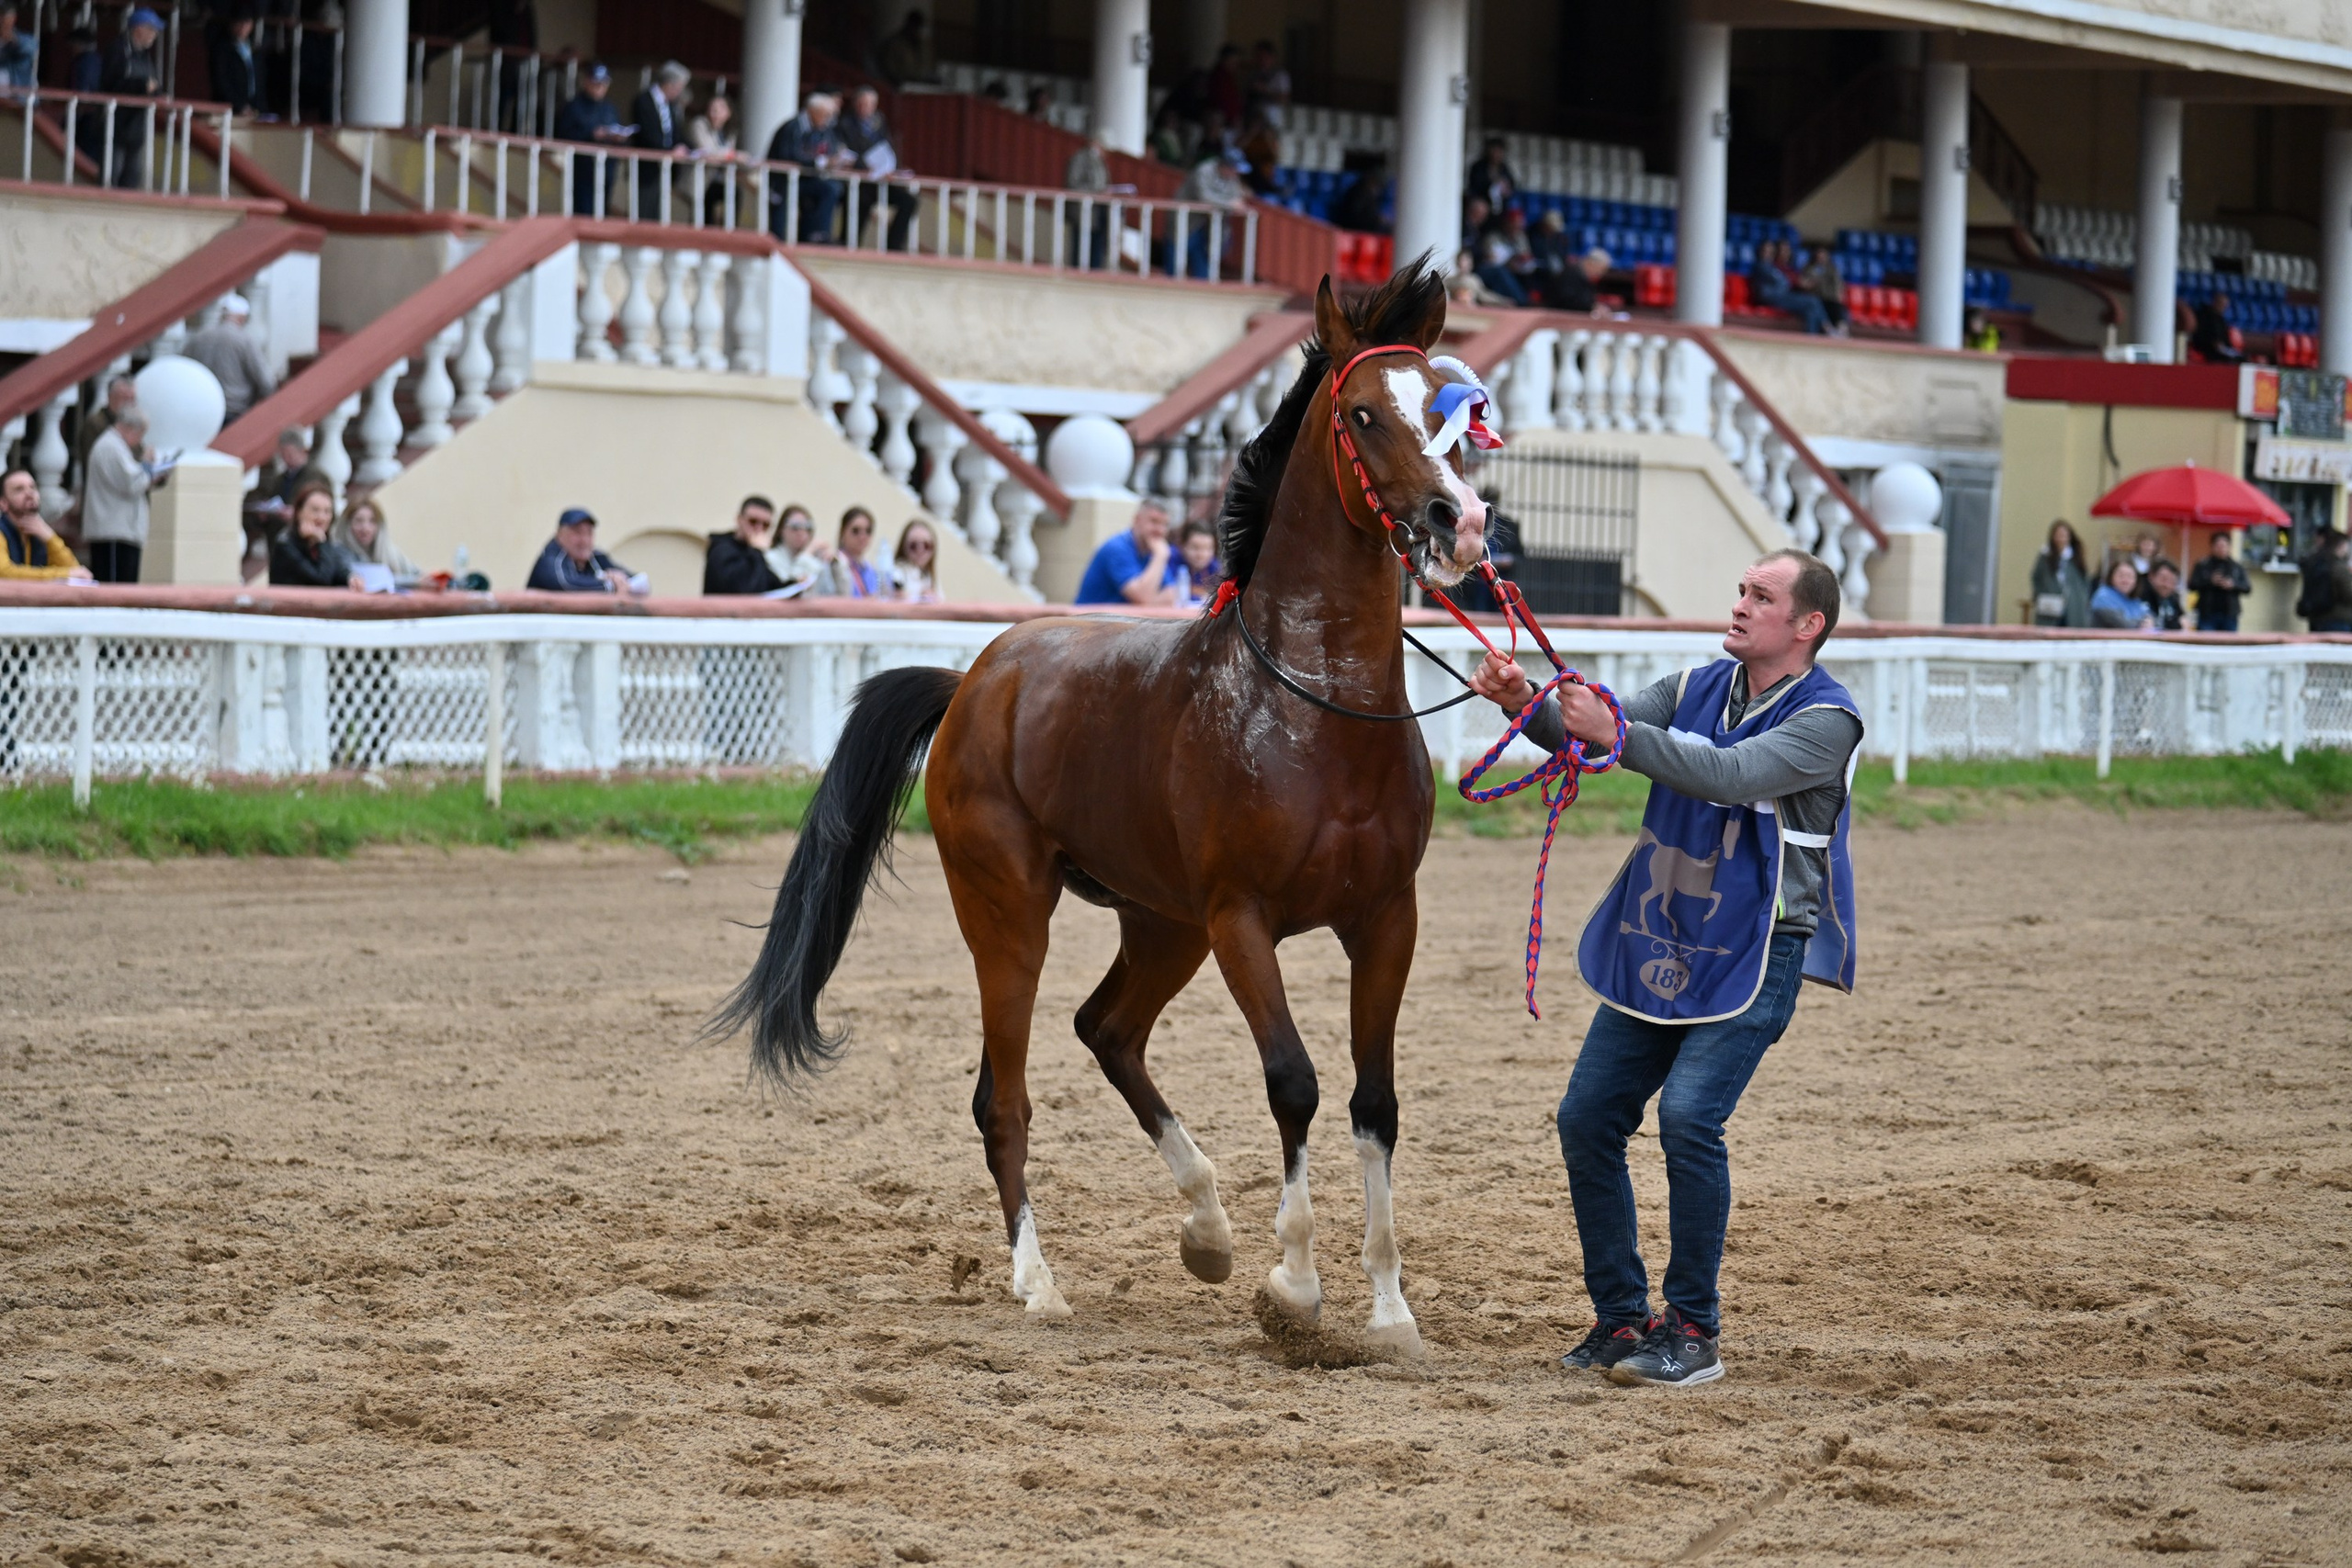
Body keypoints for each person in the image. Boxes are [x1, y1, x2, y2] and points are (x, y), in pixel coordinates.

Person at [1466, 549, 1863, 1388]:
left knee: (1688, 1117)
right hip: (1665, 941)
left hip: (1761, 950)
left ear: (1807, 626)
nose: (1740, 604)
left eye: (1762, 596)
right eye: (1741, 589)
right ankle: (1621, 1318)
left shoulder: (1829, 721)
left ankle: (1693, 1328)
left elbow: (1730, 775)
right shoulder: (1693, 686)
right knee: (1586, 1119)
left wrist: (1617, 734)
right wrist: (1524, 702)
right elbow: (1592, 731)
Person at [80, 404, 153, 583]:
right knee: (114, 588)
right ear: (128, 428)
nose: (139, 441)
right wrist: (146, 465)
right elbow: (130, 483)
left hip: (121, 530)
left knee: (126, 587)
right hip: (112, 532)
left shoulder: (116, 446)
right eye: (140, 434)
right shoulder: (110, 447)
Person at [839, 85, 918, 252]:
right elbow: (847, 152)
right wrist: (866, 165)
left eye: (870, 104)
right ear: (855, 103)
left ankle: (894, 247)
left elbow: (887, 146)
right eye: (862, 103)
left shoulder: (879, 121)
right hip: (858, 181)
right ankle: (848, 246)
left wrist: (892, 167)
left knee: (908, 201)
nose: (865, 108)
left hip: (880, 179)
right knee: (859, 205)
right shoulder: (845, 123)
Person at [182, 294, 277, 423]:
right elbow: (266, 382)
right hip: (234, 411)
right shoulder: (244, 340)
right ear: (242, 318)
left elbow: (182, 370)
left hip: (202, 410)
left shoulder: (198, 338)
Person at [99, 8, 167, 189]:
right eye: (151, 30)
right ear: (138, 29)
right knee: (111, 175)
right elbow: (111, 84)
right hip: (116, 125)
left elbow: (152, 84)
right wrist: (142, 86)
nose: (154, 35)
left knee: (132, 177)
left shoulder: (143, 55)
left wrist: (157, 94)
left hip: (137, 126)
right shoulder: (117, 50)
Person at [766, 92, 846, 243]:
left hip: (806, 178)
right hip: (782, 180)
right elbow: (789, 155)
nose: (827, 120)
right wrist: (821, 162)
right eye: (825, 115)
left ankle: (817, 234)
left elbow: (829, 148)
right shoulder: (792, 127)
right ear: (813, 111)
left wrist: (836, 159)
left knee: (831, 188)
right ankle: (777, 243)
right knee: (782, 206)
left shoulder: (823, 129)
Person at [555, 63, 632, 216]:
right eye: (596, 83)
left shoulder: (610, 108)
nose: (600, 88)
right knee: (583, 210)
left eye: (604, 84)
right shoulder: (573, 106)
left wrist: (619, 138)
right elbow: (563, 135)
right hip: (582, 168)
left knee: (602, 209)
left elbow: (618, 130)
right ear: (586, 82)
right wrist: (591, 135)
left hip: (606, 167)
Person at [1074, 500, 1183, 605]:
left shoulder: (1152, 551)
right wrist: (1160, 556)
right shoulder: (1117, 548)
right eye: (1154, 521)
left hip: (1119, 621)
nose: (1159, 530)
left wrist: (1147, 600)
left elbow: (1170, 597)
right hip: (1090, 621)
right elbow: (1142, 597)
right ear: (1136, 520)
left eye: (1165, 524)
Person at [1, 468, 93, 582]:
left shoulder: (39, 532)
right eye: (19, 489)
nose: (30, 493)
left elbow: (74, 568)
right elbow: (5, 573)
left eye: (32, 487)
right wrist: (64, 574)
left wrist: (50, 538)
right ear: (3, 503)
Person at [268, 480, 365, 589]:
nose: (321, 517)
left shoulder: (328, 544)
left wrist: (350, 578)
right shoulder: (286, 544)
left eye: (327, 511)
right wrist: (322, 542)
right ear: (299, 512)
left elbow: (337, 570)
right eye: (315, 510)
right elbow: (321, 580)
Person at [527, 507, 646, 594]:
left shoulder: (596, 558)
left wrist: (620, 580)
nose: (584, 541)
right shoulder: (551, 559)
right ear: (559, 535)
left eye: (589, 533)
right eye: (577, 533)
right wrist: (610, 586)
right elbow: (566, 584)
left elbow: (642, 582)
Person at [628, 61, 690, 221]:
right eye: (679, 87)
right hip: (647, 167)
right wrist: (667, 151)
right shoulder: (643, 101)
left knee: (659, 212)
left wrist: (685, 147)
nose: (679, 92)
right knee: (644, 212)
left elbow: (676, 132)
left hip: (665, 169)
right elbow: (647, 133)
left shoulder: (672, 106)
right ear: (669, 84)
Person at [329, 495, 421, 589]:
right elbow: (374, 580)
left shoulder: (390, 552)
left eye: (372, 521)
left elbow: (415, 573)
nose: (365, 528)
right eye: (359, 521)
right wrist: (414, 582)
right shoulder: (340, 552)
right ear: (347, 524)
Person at [703, 494, 786, 594]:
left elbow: (771, 586)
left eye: (765, 525)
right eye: (753, 521)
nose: (759, 529)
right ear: (739, 519)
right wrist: (757, 551)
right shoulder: (721, 550)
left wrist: (796, 584)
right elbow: (744, 589)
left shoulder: (754, 552)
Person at [1748, 242, 1826, 334]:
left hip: (1782, 296)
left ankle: (1812, 335)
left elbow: (1787, 281)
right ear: (1759, 252)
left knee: (1810, 309)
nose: (1768, 254)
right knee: (1812, 302)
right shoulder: (1761, 266)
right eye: (1765, 251)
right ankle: (1826, 327)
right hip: (1772, 297)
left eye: (1771, 252)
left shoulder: (1773, 267)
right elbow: (1782, 282)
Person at [683, 92, 738, 223]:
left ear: (729, 113)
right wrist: (730, 155)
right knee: (705, 205)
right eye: (712, 108)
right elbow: (707, 151)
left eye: (720, 108)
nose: (715, 112)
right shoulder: (699, 124)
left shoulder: (729, 133)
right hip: (700, 178)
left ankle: (729, 228)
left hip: (719, 179)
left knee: (734, 192)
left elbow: (724, 155)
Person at [1064, 130, 1113, 268]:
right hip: (1083, 214)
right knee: (1080, 252)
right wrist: (1097, 193)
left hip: (1098, 214)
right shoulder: (1080, 158)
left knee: (1095, 253)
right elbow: (1073, 185)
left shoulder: (1100, 162)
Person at [2187, 531, 2251, 633]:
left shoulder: (2236, 567)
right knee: (2206, 643)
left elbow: (2247, 588)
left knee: (2228, 644)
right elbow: (2191, 585)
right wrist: (2210, 581)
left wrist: (2232, 585)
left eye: (2224, 546)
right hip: (2207, 612)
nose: (2221, 549)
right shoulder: (2203, 565)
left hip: (2229, 613)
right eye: (2218, 546)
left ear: (2229, 547)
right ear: (2212, 546)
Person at [2030, 520, 2091, 627]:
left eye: (2064, 535)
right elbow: (2036, 577)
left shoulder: (2075, 557)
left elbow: (2085, 579)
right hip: (2050, 605)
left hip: (2073, 605)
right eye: (2058, 535)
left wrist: (2083, 598)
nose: (2061, 538)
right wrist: (2040, 594)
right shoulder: (2045, 556)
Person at [2296, 529, 2352, 634]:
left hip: (2315, 616)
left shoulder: (2314, 562)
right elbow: (2349, 593)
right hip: (2338, 619)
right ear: (2341, 545)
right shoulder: (2338, 566)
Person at [763, 503, 829, 591]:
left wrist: (834, 564)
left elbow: (831, 591)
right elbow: (790, 588)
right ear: (781, 530)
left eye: (807, 527)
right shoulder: (770, 557)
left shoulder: (813, 557)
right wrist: (806, 555)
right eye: (795, 527)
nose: (801, 532)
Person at [874, 8, 934, 87]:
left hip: (916, 86)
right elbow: (888, 71)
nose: (917, 31)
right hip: (896, 87)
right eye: (916, 27)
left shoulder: (921, 45)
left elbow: (925, 68)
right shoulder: (894, 44)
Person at [2089, 559, 2154, 629]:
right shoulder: (2103, 596)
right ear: (2111, 577)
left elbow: (2151, 618)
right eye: (2121, 576)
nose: (2125, 580)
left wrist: (2150, 621)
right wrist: (2141, 623)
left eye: (2129, 576)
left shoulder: (2135, 600)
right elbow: (2123, 624)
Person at [1331, 159, 1388, 234]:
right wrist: (1376, 220)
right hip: (1353, 230)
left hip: (1366, 229)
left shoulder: (1371, 194)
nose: (1377, 188)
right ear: (1371, 179)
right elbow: (1354, 217)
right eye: (1376, 183)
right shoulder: (1357, 192)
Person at [891, 518, 942, 603]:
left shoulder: (930, 576)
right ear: (904, 547)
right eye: (913, 546)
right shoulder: (896, 572)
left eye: (926, 546)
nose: (920, 551)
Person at [1245, 40, 1291, 130]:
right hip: (1252, 118)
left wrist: (1264, 90)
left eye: (1264, 57)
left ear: (1272, 57)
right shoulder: (1253, 74)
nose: (1260, 60)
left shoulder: (1280, 75)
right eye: (1258, 57)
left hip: (1271, 121)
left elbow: (1284, 99)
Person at [1174, 519, 1220, 608]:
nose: (1201, 555)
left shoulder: (1214, 568)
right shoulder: (1171, 561)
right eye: (1195, 548)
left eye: (1207, 548)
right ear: (1182, 545)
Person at [1465, 136, 1517, 214]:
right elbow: (1475, 187)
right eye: (1494, 150)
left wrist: (1505, 188)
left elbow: (1511, 185)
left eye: (1499, 151)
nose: (1496, 154)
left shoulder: (1504, 168)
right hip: (1482, 202)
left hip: (1500, 205)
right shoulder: (1478, 167)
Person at [2190, 292, 2243, 364]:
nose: (2223, 308)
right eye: (2221, 304)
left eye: (2225, 306)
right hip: (2206, 349)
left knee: (2241, 358)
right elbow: (2200, 336)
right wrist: (2214, 344)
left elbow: (2225, 340)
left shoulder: (2221, 320)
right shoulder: (2203, 316)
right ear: (2214, 302)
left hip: (2221, 350)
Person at [1807, 249, 1850, 336]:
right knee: (1817, 307)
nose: (1821, 258)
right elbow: (1805, 283)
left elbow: (1838, 284)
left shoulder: (1832, 270)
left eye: (1823, 256)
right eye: (1819, 256)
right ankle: (1828, 330)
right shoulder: (1809, 269)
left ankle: (1842, 331)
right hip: (1816, 298)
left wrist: (1837, 295)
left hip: (1830, 298)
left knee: (1840, 308)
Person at [2139, 558, 2186, 631]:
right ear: (2151, 576)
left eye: (2172, 581)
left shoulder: (2173, 598)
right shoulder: (2139, 594)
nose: (2167, 585)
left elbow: (2183, 621)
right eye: (2163, 579)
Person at [0, 5, 36, 94]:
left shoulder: (25, 40)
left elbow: (29, 48)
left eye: (3, 16)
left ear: (13, 18)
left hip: (16, 99)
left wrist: (12, 39)